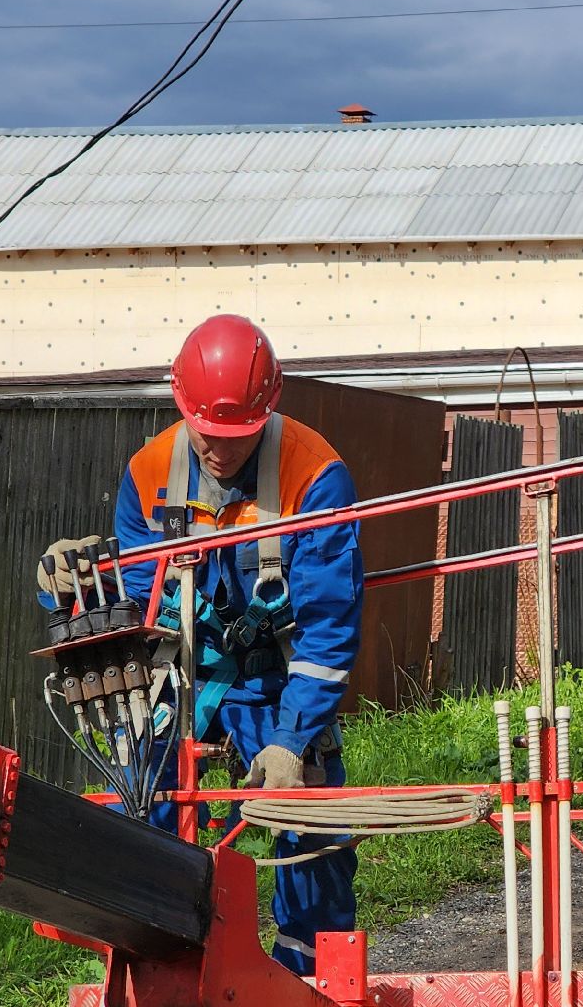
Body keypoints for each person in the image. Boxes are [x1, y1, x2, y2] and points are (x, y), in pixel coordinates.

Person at [35, 314, 361, 975]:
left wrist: (293, 739)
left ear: (268, 410)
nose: (218, 449)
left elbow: (327, 628)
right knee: (140, 802)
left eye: (236, 436)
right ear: (181, 404)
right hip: (182, 677)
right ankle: (164, 961)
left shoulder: (315, 475)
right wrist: (74, 586)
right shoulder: (150, 471)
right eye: (205, 432)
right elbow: (139, 598)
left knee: (312, 823)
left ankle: (311, 977)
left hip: (277, 684)